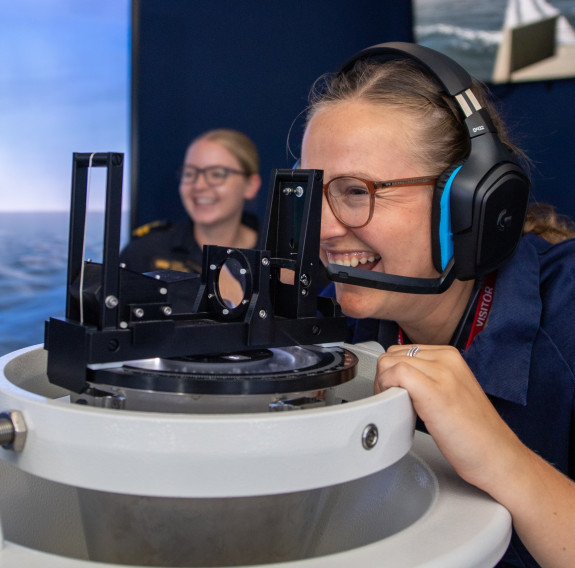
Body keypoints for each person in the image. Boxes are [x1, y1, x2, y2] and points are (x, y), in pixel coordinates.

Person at [300, 42, 575, 568]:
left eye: (356, 192)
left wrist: (502, 458)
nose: (324, 229)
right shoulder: (353, 327)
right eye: (314, 195)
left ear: (470, 200)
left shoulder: (567, 310)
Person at [120, 128, 261, 305]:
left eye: (217, 174)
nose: (199, 185)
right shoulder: (144, 252)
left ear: (251, 185)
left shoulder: (277, 258)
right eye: (189, 173)